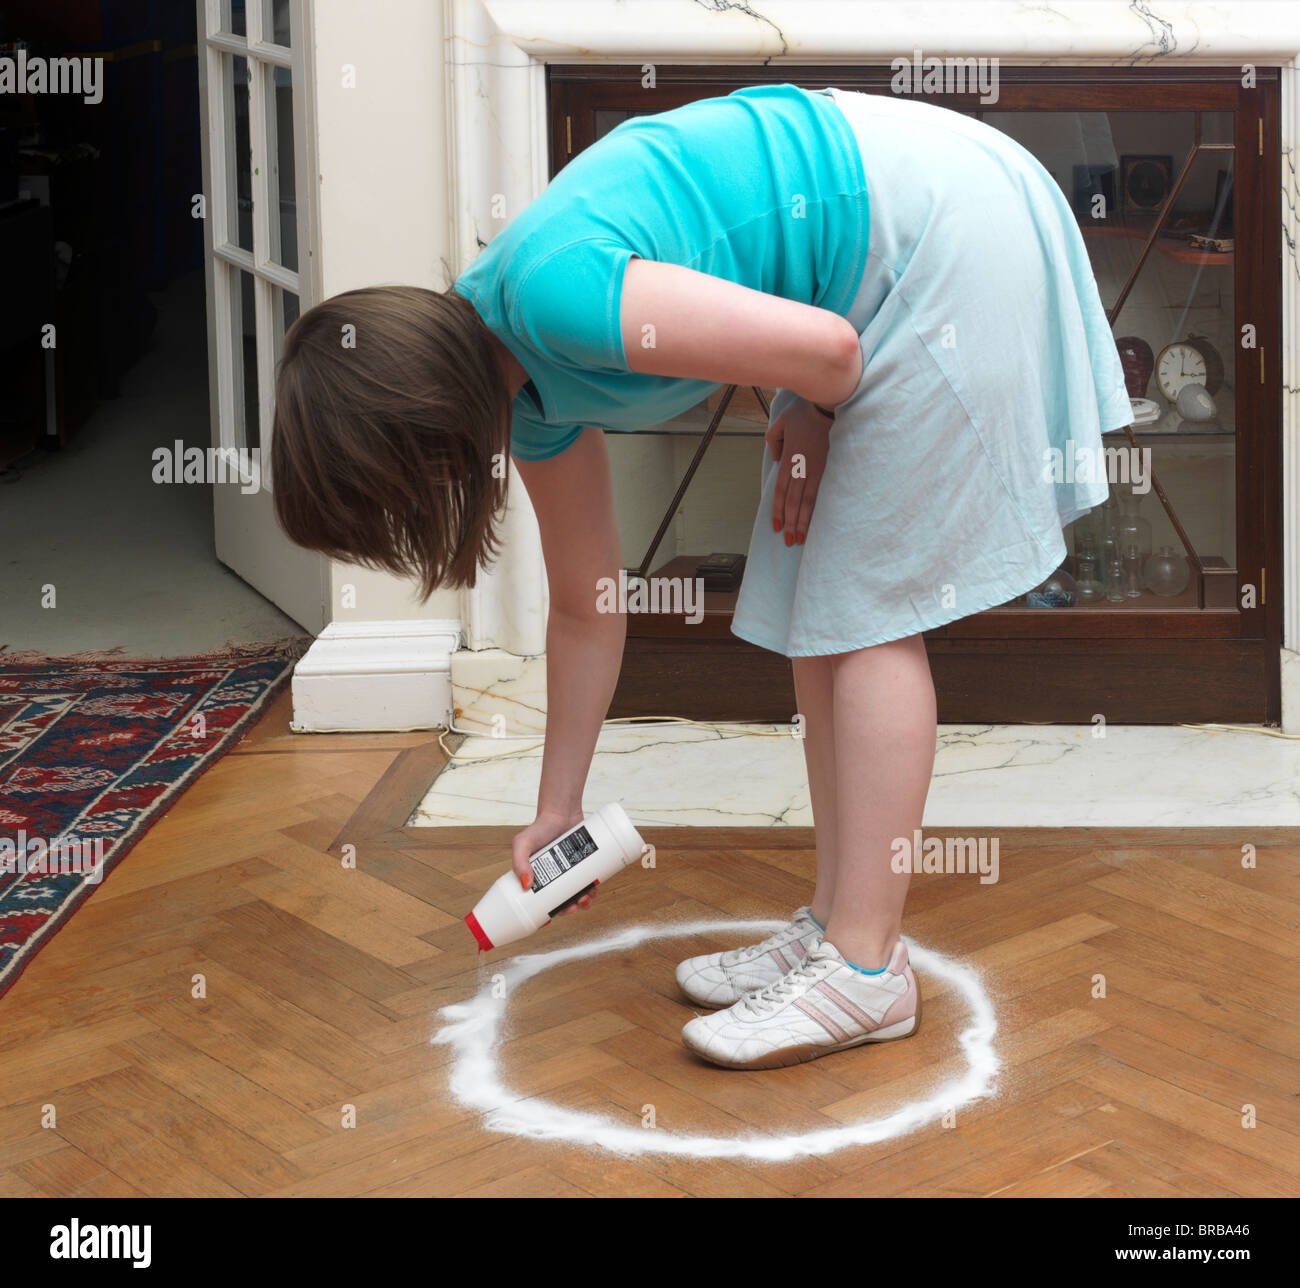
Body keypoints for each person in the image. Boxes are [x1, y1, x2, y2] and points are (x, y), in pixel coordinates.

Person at [269, 83, 1132, 1072]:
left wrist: (809, 409)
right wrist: (556, 809)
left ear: (419, 435)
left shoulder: (555, 297)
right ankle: (835, 926)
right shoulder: (520, 383)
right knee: (822, 598)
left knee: (865, 611)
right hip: (871, 262)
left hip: (942, 234)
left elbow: (828, 351)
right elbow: (591, 604)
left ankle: (864, 970)